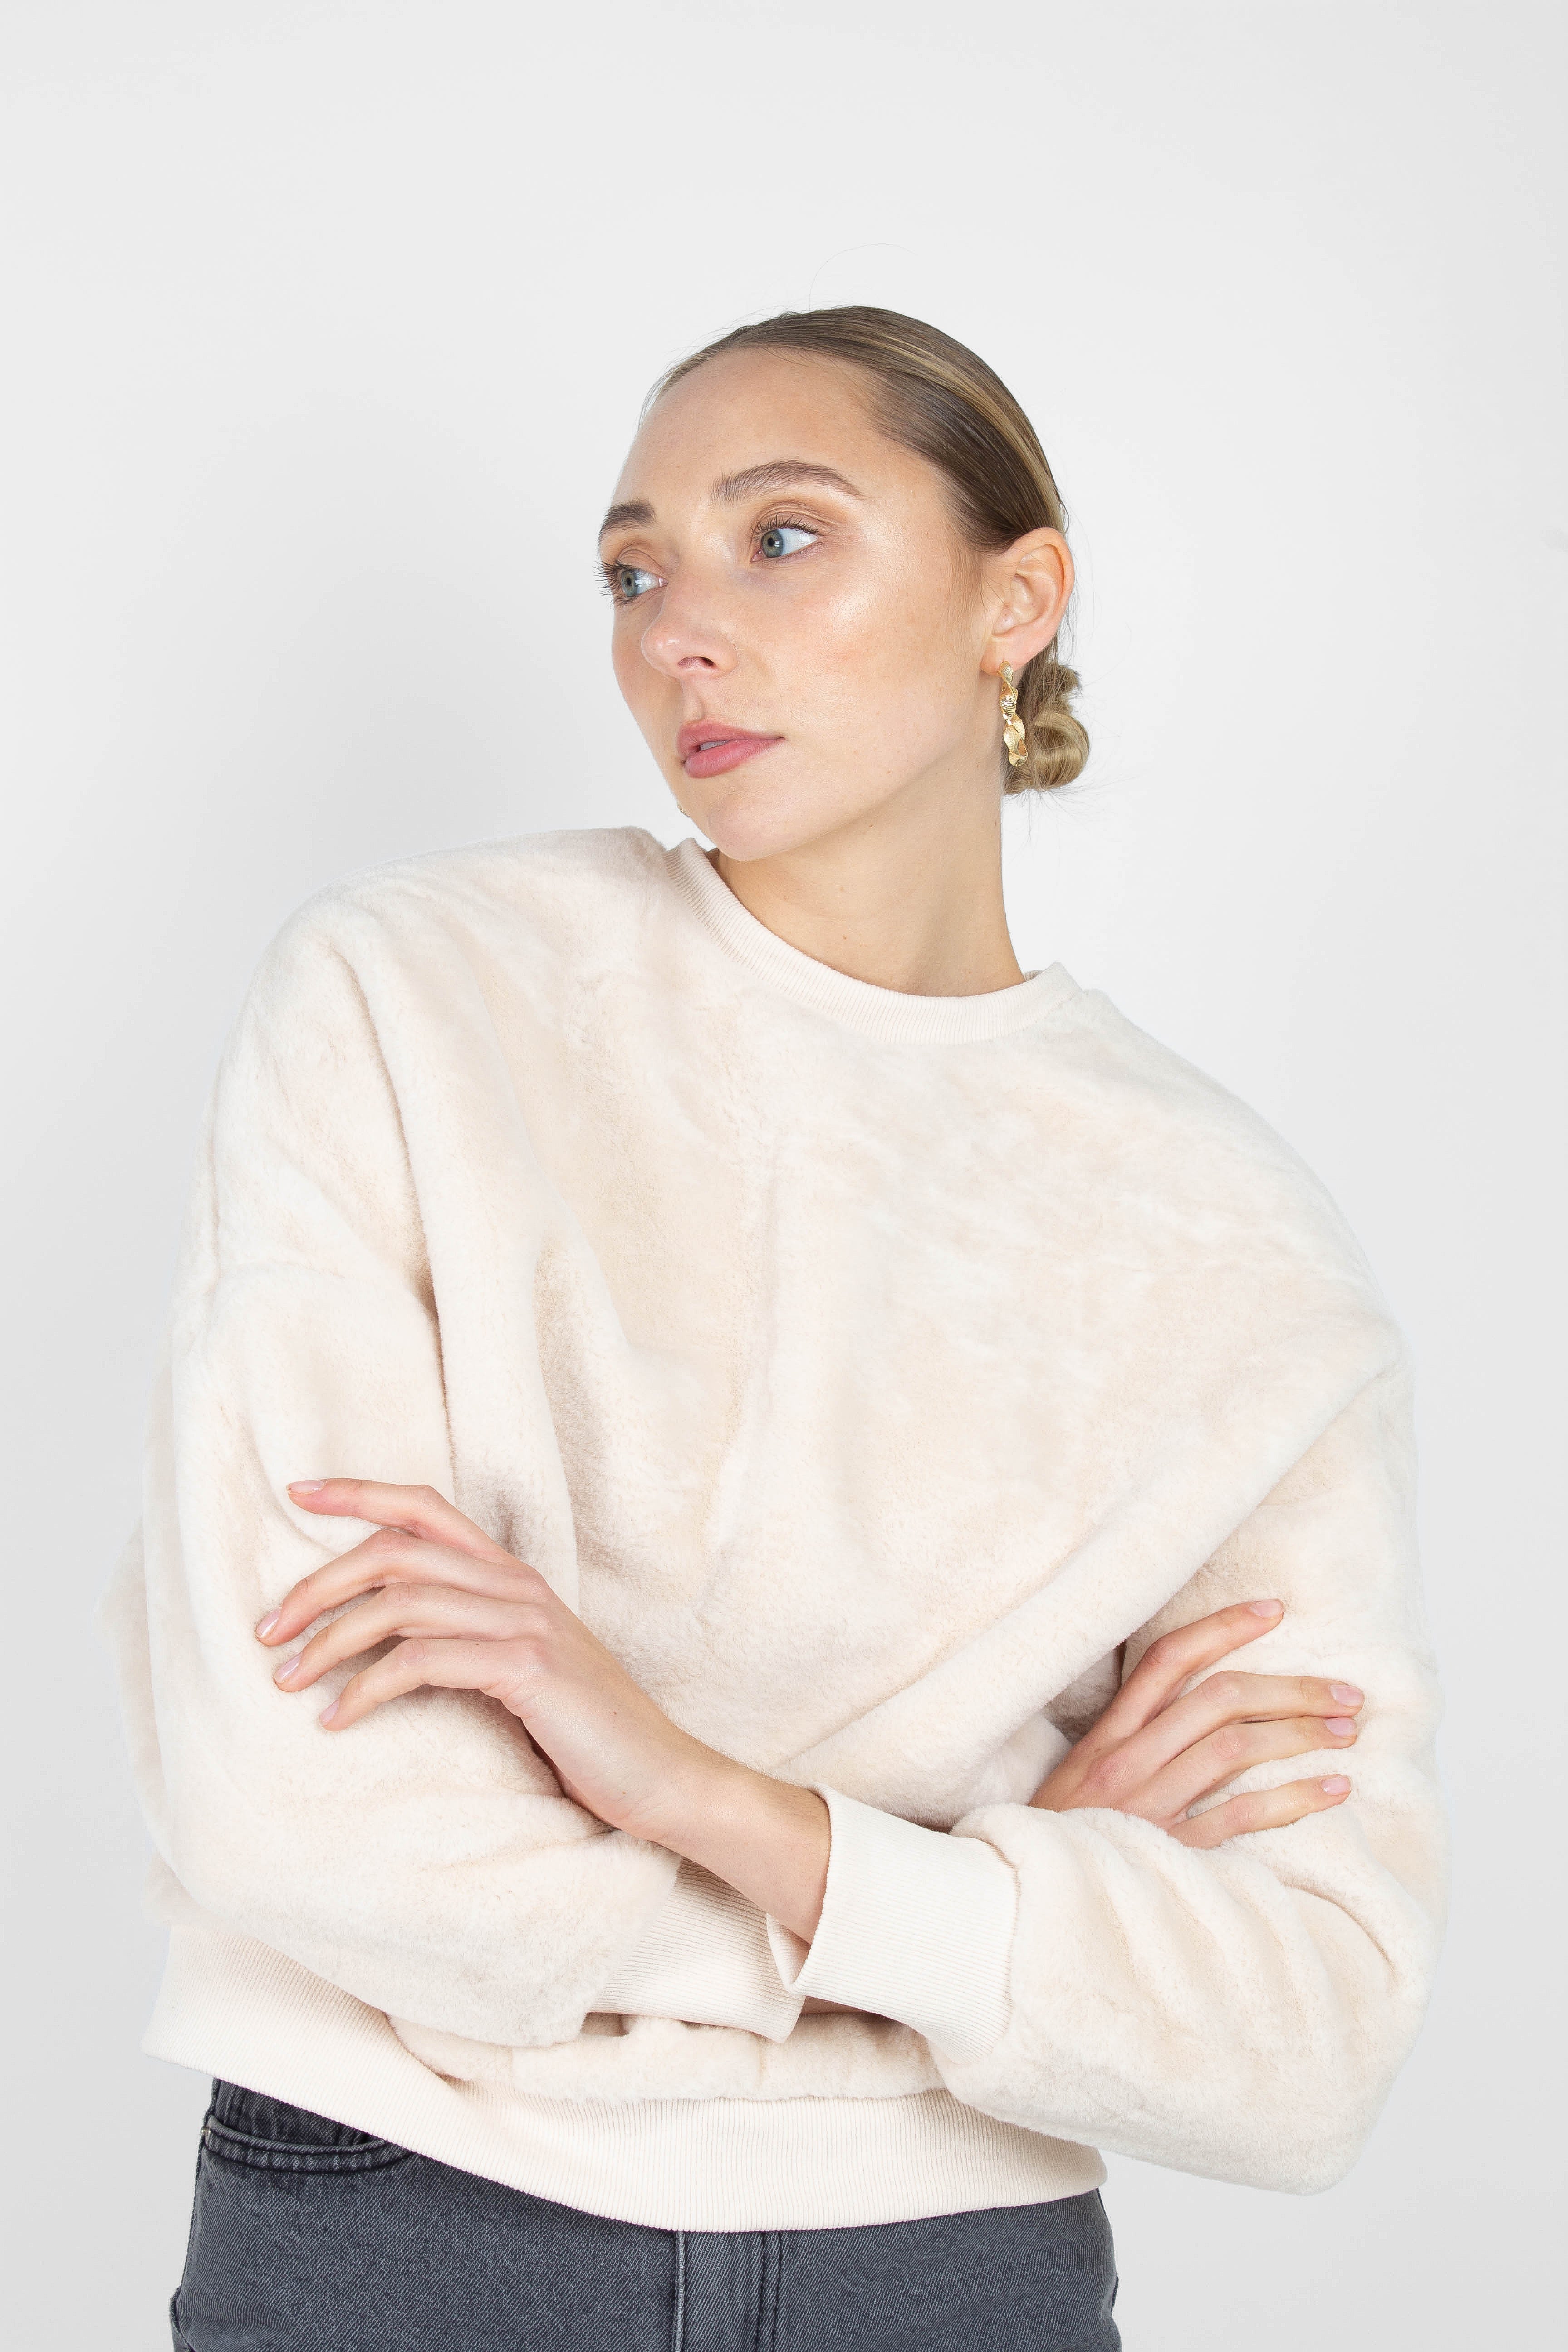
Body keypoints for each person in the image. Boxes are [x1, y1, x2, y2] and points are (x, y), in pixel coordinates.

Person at [102, 307, 1447, 2352]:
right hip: (414, 2229)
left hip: (946, 2276)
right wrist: (965, 1913)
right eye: (631, 572)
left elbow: (1309, 2031)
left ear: (1018, 598)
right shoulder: (418, 1001)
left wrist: (702, 1795)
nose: (677, 635)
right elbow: (310, 1822)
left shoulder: (1236, 1248)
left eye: (782, 537)